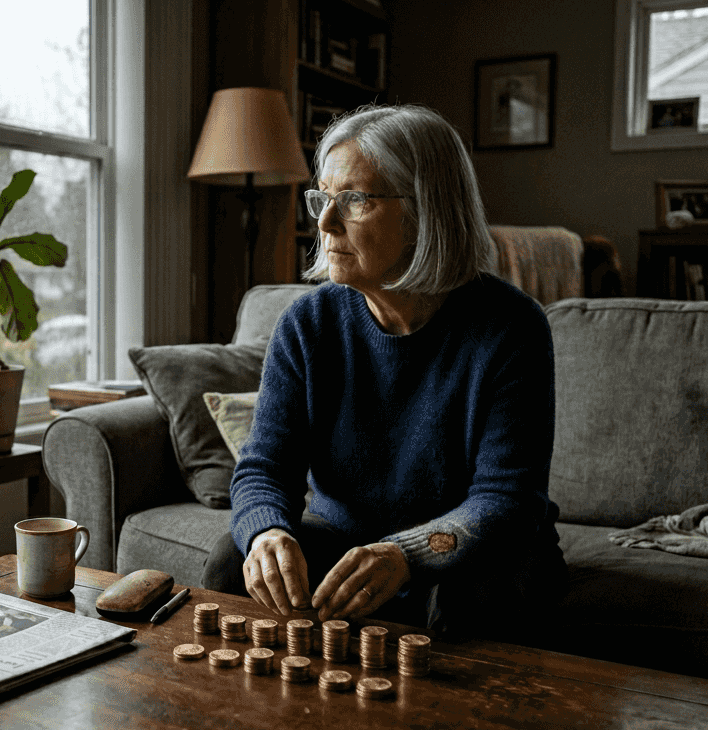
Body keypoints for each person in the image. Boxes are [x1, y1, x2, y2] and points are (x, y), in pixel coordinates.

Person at [200, 104, 567, 639]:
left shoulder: (511, 328)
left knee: (470, 596)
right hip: (347, 541)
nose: (325, 223)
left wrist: (406, 554)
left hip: (478, 550)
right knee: (230, 563)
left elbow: (508, 501)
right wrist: (265, 534)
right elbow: (264, 469)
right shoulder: (307, 324)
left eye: (354, 200)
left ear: (427, 211)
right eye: (322, 198)